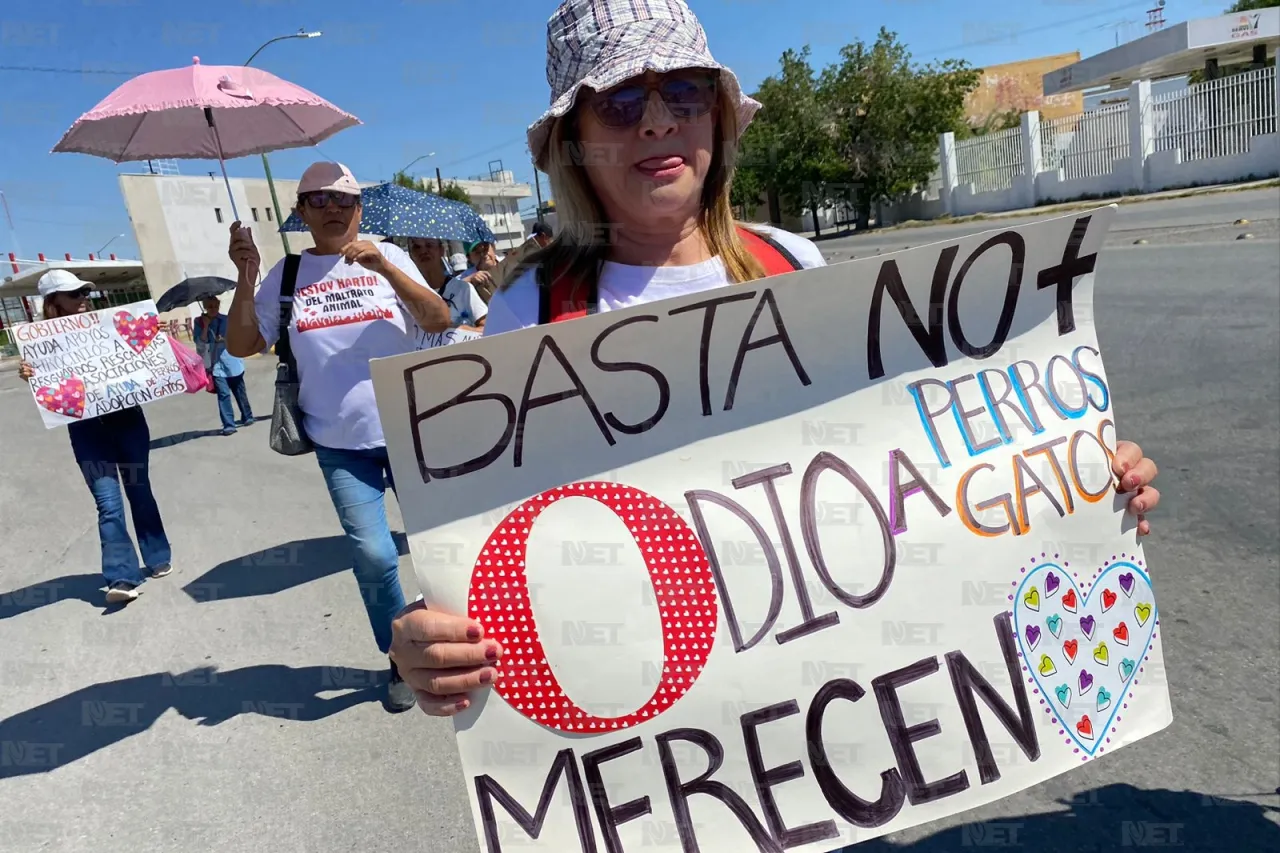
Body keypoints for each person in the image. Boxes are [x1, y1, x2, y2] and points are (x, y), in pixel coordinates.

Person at [388, 0, 1166, 717]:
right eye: (621, 102)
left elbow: (910, 467)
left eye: (684, 93)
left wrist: (1070, 478)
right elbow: (491, 546)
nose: (658, 122)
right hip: (655, 722)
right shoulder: (531, 308)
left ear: (717, 119)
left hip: (815, 713)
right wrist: (431, 641)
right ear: (574, 143)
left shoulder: (790, 263)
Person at [224, 161, 451, 713]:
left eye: (342, 198)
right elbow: (242, 345)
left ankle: (459, 641)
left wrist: (387, 271)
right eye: (316, 198)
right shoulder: (288, 273)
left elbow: (439, 318)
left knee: (443, 547)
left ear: (359, 209)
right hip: (339, 444)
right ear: (300, 211)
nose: (330, 207)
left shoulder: (389, 256)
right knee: (374, 555)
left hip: (411, 428)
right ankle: (400, 658)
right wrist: (247, 275)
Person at [17, 270, 172, 605]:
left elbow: (140, 359)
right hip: (86, 431)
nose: (83, 300)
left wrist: (153, 336)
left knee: (138, 490)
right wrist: (29, 372)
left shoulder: (109, 327)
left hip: (127, 420)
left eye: (84, 293)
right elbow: (48, 386)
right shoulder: (39, 343)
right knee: (108, 504)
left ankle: (157, 553)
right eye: (74, 295)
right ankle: (122, 576)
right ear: (53, 301)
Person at [404, 236, 487, 348]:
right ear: (410, 254)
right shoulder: (404, 296)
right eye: (416, 246)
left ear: (441, 250)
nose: (423, 251)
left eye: (429, 244)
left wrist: (464, 331)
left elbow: (489, 329)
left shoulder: (463, 289)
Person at [192, 295, 253, 435]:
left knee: (239, 391)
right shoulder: (199, 322)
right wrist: (206, 326)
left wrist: (225, 339)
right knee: (223, 394)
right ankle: (229, 424)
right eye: (210, 306)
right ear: (206, 307)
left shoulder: (227, 319)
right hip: (215, 365)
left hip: (232, 360)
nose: (213, 309)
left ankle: (247, 415)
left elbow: (238, 336)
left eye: (216, 306)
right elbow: (200, 342)